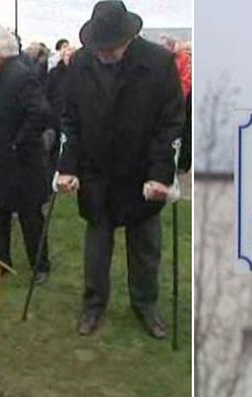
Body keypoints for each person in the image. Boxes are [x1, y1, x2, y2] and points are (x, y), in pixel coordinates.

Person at [57, 0, 184, 339]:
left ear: (129, 38)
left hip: (142, 173)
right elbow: (70, 118)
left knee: (145, 249)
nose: (104, 54)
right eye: (99, 48)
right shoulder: (82, 61)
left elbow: (170, 122)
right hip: (97, 173)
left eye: (111, 48)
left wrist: (160, 175)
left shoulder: (158, 63)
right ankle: (93, 305)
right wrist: (67, 168)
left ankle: (145, 305)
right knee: (96, 247)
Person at [0, 28, 52, 283]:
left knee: (30, 215)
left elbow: (40, 113)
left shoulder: (20, 75)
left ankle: (40, 264)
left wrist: (17, 143)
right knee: (0, 212)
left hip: (21, 161)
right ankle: (0, 261)